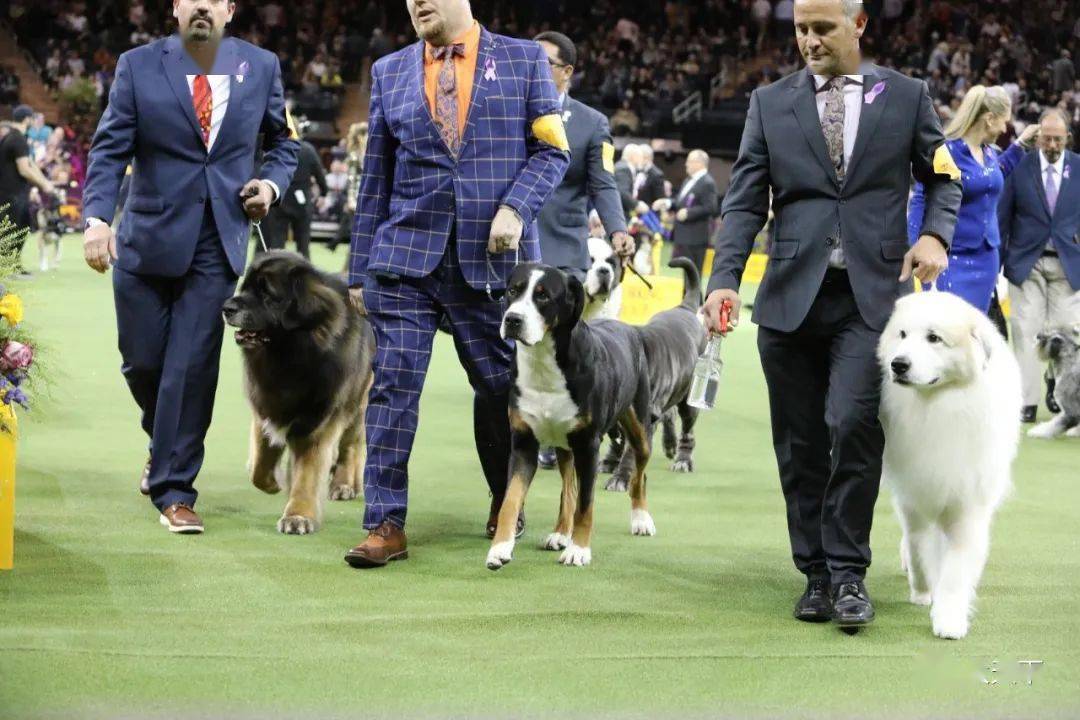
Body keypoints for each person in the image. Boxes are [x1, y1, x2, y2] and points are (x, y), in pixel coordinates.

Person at [701, 0, 961, 631]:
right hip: (789, 300)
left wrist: (935, 236)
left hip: (871, 303)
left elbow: (945, 175)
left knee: (853, 425)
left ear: (859, 26)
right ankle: (814, 573)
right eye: (800, 30)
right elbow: (742, 203)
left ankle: (849, 573)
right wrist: (723, 280)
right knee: (799, 444)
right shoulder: (769, 103)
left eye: (823, 28)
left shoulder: (906, 96)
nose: (809, 40)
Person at [343, 0, 569, 568]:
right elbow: (376, 179)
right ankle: (384, 522)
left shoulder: (522, 61)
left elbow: (552, 151)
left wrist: (516, 208)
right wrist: (357, 272)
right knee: (394, 386)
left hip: (492, 264)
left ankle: (506, 501)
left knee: (500, 390)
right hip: (403, 258)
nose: (417, 3)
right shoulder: (389, 70)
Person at [81, 0, 299, 534]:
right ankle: (163, 441)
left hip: (217, 243)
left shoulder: (262, 65)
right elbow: (110, 149)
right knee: (142, 362)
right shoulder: (137, 65)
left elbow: (283, 145)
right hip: (146, 240)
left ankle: (175, 489)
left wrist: (268, 186)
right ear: (176, 8)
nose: (201, 5)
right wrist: (96, 220)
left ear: (229, 9)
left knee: (191, 367)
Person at [532, 30, 633, 470]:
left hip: (561, 257)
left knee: (560, 355)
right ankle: (517, 435)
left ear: (566, 72)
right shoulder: (503, 111)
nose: (533, 69)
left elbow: (603, 184)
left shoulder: (593, 124)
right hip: (506, 253)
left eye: (544, 62)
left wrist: (617, 230)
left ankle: (561, 435)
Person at [907, 86, 1037, 313]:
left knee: (973, 334)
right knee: (945, 329)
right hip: (948, 258)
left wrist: (1020, 146)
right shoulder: (947, 151)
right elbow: (921, 198)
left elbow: (989, 180)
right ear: (989, 119)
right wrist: (914, 245)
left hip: (987, 258)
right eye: (1004, 121)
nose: (1006, 127)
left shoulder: (989, 152)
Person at [999, 108, 1080, 424]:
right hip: (1026, 262)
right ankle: (1027, 401)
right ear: (1037, 137)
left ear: (1067, 139)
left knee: (1066, 337)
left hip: (1068, 265)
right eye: (1046, 138)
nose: (1052, 144)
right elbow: (1003, 214)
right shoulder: (1021, 167)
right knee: (1025, 330)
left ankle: (1062, 394)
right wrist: (1001, 256)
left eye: (1058, 139)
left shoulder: (1079, 168)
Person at [0, 105, 57, 276]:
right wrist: (44, 185)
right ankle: (8, 266)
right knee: (14, 230)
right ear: (26, 119)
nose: (33, 122)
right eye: (32, 118)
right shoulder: (18, 140)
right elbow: (24, 169)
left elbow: (31, 163)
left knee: (22, 226)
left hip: (13, 192)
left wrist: (44, 181)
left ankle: (12, 264)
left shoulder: (12, 138)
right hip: (12, 193)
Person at [260, 123, 326, 259]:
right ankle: (304, 276)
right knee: (303, 243)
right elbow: (320, 175)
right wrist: (323, 193)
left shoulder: (276, 149)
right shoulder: (308, 149)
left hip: (280, 198)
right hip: (302, 200)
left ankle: (277, 274)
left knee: (277, 242)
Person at [653, 149, 719, 275]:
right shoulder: (688, 180)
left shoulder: (707, 183)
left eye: (689, 161)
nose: (686, 164)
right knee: (686, 275)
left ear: (699, 163)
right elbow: (680, 202)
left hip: (696, 237)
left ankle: (693, 296)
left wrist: (689, 213)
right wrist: (667, 203)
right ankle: (686, 295)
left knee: (694, 275)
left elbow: (711, 207)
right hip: (683, 236)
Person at [331, 121, 366, 253]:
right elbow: (351, 180)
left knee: (357, 234)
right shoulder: (354, 156)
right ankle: (349, 269)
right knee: (357, 235)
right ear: (361, 136)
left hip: (362, 199)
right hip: (356, 200)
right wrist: (351, 200)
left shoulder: (363, 154)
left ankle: (347, 268)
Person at [614, 143, 645, 217]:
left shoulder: (621, 166)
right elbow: (622, 192)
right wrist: (636, 204)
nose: (642, 160)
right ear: (633, 156)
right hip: (620, 212)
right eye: (640, 157)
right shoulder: (623, 169)